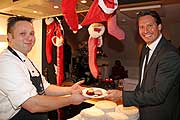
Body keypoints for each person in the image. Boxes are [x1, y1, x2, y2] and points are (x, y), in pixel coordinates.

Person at [0, 16, 87, 120]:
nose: (29, 38)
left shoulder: (26, 60)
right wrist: (70, 100)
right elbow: (32, 104)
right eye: (23, 33)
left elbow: (45, 88)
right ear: (9, 37)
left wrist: (70, 90)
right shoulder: (6, 63)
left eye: (31, 33)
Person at [105, 10, 180, 120]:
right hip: (144, 112)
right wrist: (131, 100)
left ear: (159, 27)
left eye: (150, 25)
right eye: (141, 27)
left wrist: (122, 95)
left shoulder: (169, 55)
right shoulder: (145, 48)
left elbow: (158, 95)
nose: (145, 31)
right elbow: (143, 83)